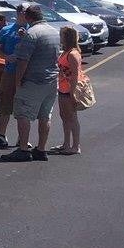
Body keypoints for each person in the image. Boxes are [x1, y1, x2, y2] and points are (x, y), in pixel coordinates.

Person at [4, 4, 59, 162]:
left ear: (28, 18)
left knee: (23, 114)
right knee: (45, 116)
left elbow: (23, 60)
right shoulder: (53, 31)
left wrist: (18, 80)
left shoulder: (32, 33)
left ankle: (23, 150)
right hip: (50, 80)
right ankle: (41, 149)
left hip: (33, 80)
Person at [0, 7, 27, 148]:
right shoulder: (6, 30)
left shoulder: (32, 30)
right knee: (5, 102)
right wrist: (7, 57)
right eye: (24, 13)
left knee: (24, 105)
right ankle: (2, 135)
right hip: (10, 71)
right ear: (19, 13)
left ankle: (23, 137)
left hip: (27, 73)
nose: (26, 15)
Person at [53, 25, 83, 156]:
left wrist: (73, 92)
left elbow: (75, 75)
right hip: (62, 88)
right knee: (64, 117)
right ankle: (66, 143)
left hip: (69, 89)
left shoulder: (73, 54)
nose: (60, 38)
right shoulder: (66, 52)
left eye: (61, 35)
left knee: (72, 118)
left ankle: (75, 146)